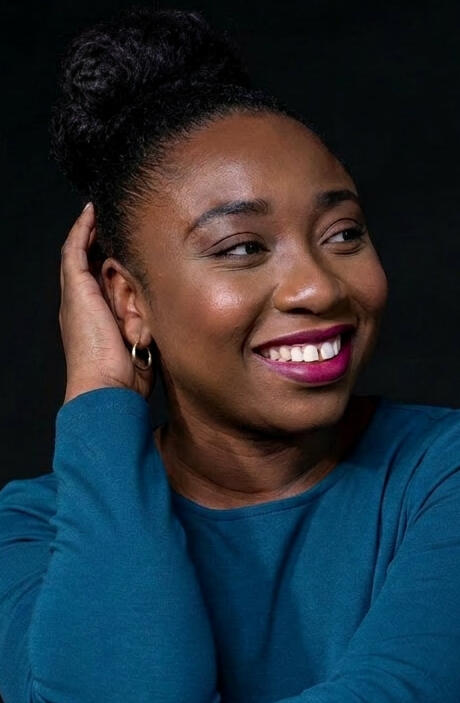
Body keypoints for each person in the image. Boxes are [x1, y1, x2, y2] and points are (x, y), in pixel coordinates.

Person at [1, 6, 459, 702]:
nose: (318, 287)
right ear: (128, 300)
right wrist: (99, 397)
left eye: (342, 233)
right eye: (242, 247)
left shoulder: (439, 476)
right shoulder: (33, 531)